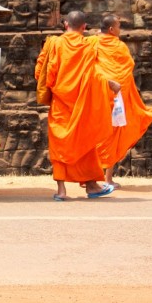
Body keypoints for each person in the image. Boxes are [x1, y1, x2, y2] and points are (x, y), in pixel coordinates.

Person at [34, 11, 120, 201]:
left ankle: (63, 191)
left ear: (66, 25)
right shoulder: (89, 46)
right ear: (83, 27)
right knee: (85, 144)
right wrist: (110, 84)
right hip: (81, 106)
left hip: (60, 105)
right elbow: (94, 76)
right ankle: (91, 186)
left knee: (60, 147)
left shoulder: (54, 44)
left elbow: (40, 71)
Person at [92, 14, 152, 188]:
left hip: (97, 94)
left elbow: (87, 67)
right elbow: (127, 67)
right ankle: (107, 179)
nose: (120, 29)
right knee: (113, 134)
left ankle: (92, 178)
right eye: (118, 26)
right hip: (115, 96)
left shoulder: (91, 43)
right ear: (111, 29)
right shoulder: (118, 46)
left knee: (96, 133)